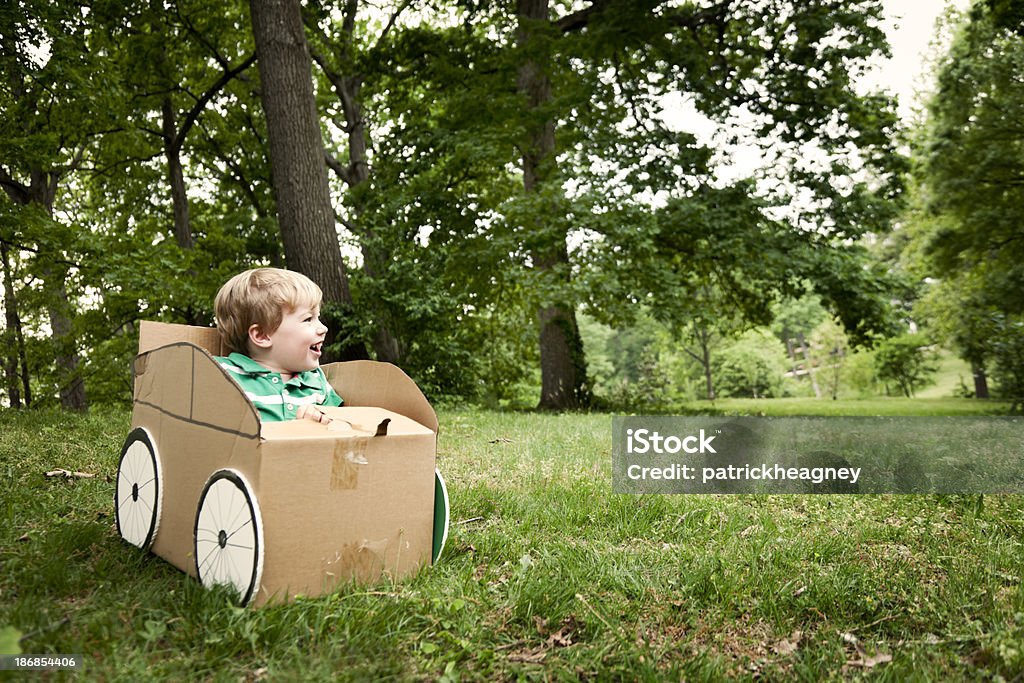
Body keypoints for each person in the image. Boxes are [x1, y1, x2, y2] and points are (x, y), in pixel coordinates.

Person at [213, 267, 342, 423]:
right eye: (308, 319)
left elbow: (344, 426)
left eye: (318, 318)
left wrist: (323, 418)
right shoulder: (221, 373)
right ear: (262, 335)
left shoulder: (316, 381)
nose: (323, 328)